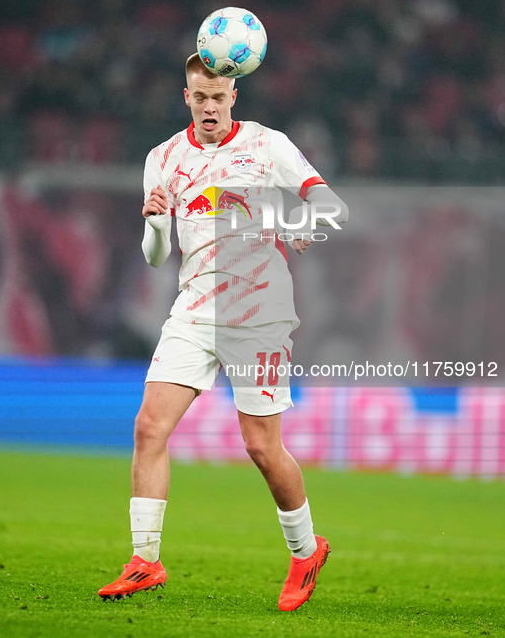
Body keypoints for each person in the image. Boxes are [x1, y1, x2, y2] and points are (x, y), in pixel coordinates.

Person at [98, 53, 349, 611]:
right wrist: (156, 221)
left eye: (219, 97)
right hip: (192, 308)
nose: (209, 106)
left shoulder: (267, 145)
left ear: (234, 97)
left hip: (259, 312)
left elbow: (330, 205)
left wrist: (304, 225)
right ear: (186, 97)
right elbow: (156, 256)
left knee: (261, 445)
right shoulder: (162, 158)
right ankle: (145, 561)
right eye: (199, 97)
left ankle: (306, 550)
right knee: (148, 428)